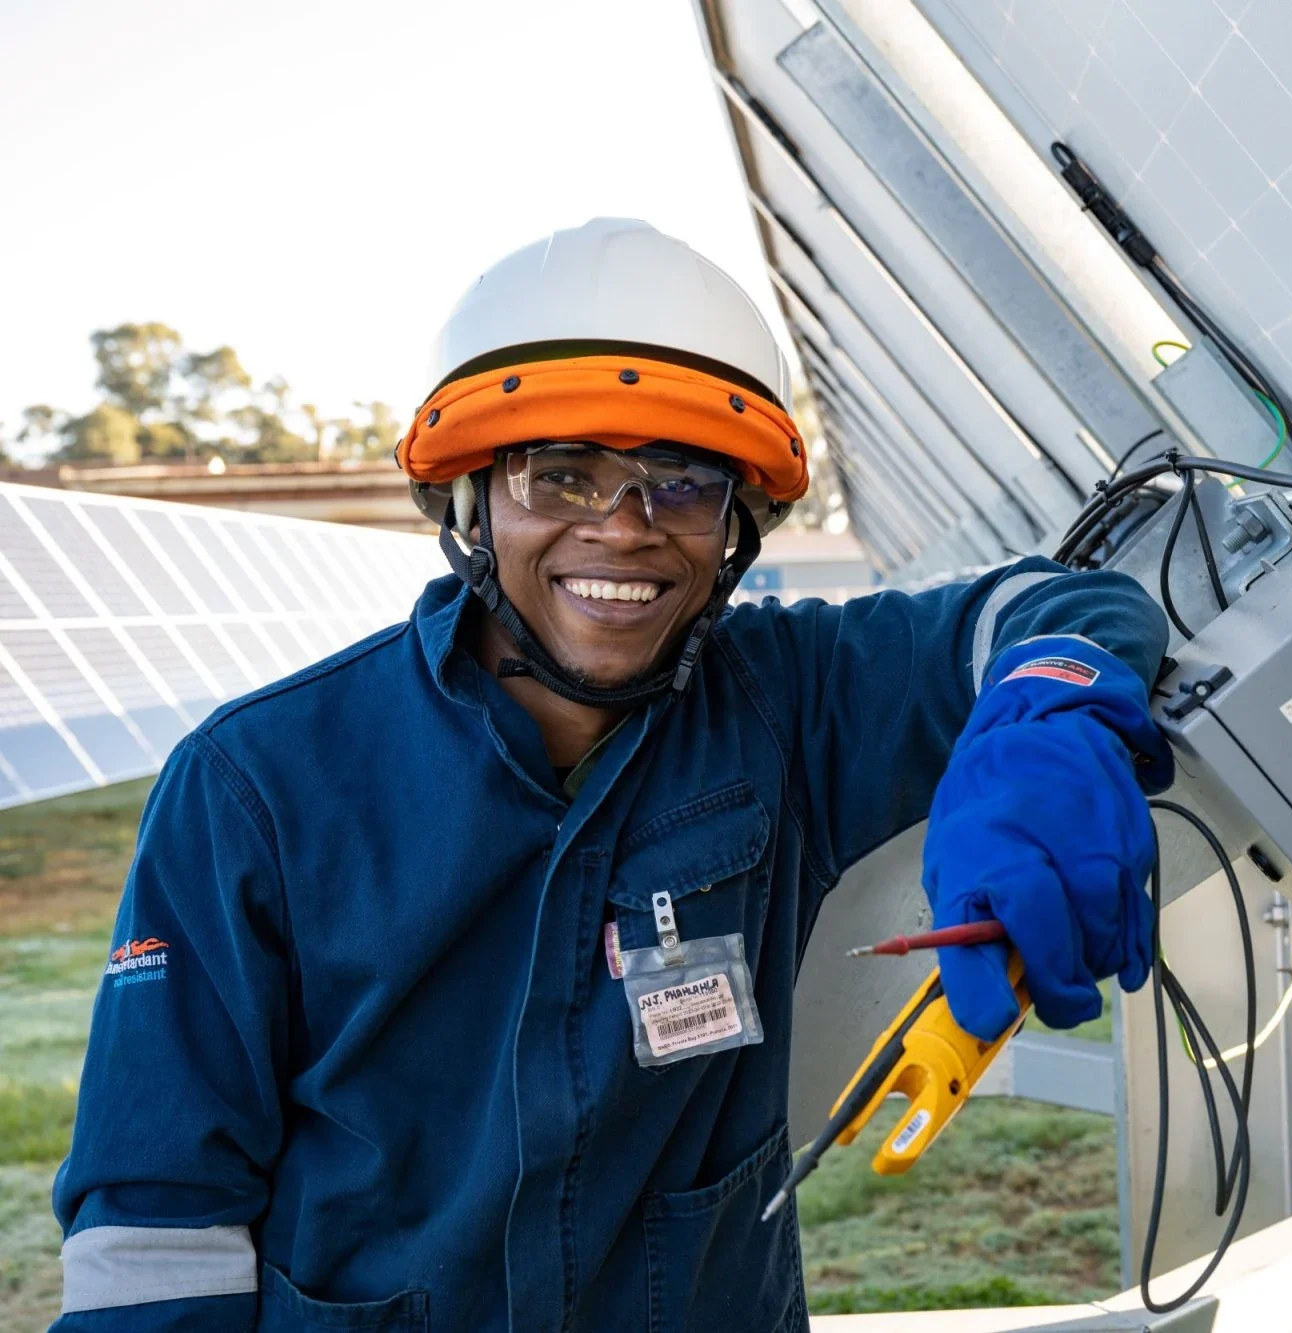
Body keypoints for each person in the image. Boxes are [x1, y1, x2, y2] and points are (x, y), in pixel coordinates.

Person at [50, 218, 1171, 1333]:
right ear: (471, 503)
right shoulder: (259, 782)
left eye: (680, 483)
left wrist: (1051, 718)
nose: (626, 528)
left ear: (739, 524)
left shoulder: (790, 696)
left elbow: (1067, 605)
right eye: (562, 476)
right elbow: (157, 1221)